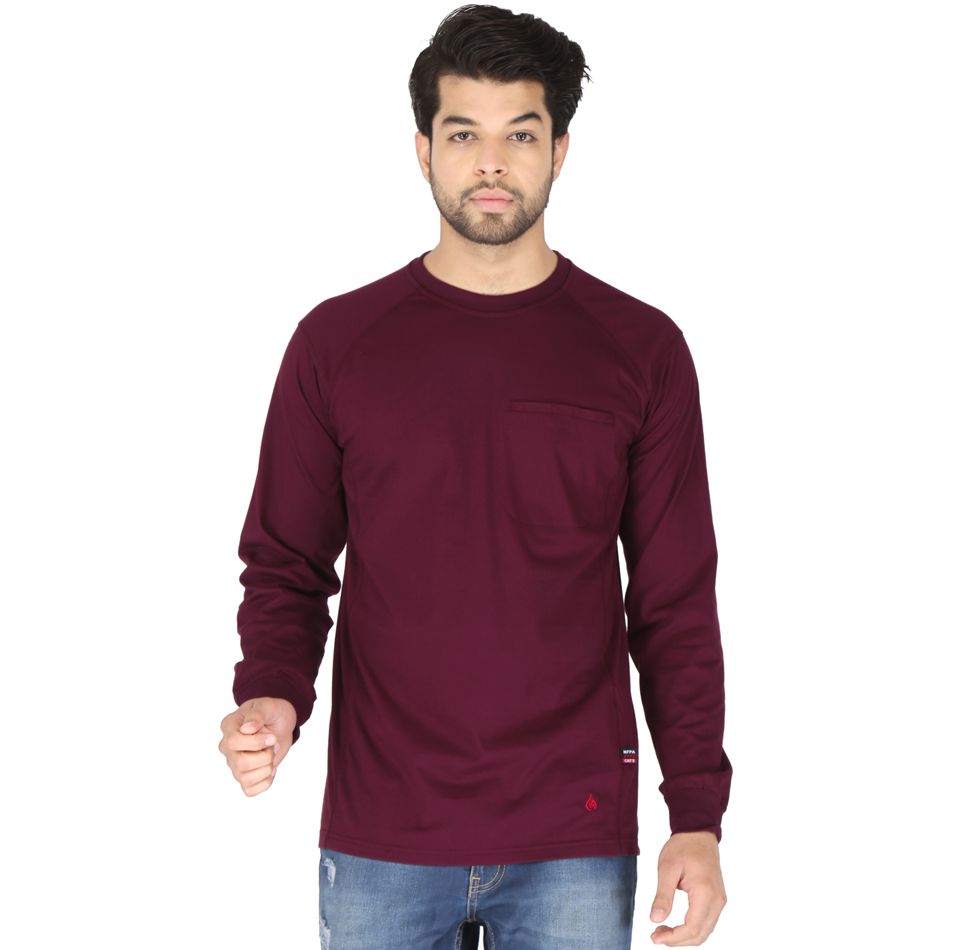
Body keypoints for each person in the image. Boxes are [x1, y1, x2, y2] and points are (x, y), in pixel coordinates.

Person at [218, 5, 732, 947]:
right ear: (423, 151)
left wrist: (696, 813)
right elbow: (288, 562)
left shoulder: (641, 349)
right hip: (384, 830)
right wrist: (274, 692)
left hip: (574, 832)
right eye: (464, 135)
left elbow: (674, 602)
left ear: (560, 151)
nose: (491, 163)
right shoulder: (336, 344)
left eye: (520, 135)